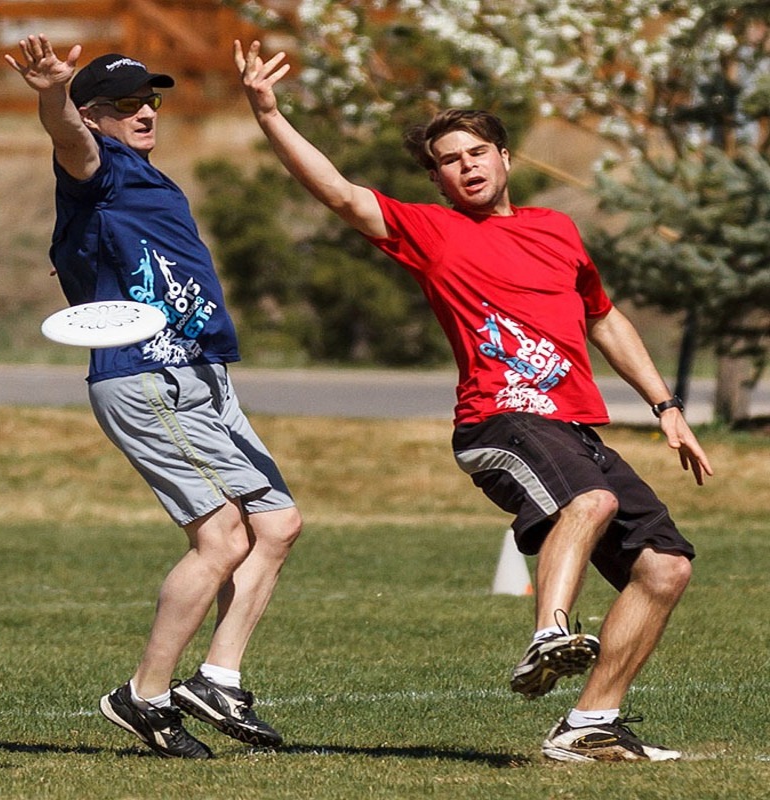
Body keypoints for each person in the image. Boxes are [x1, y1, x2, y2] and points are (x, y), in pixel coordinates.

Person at [234, 40, 713, 763]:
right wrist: (269, 113)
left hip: (575, 427)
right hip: (499, 421)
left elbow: (605, 317)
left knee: (665, 567)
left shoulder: (557, 230)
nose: (468, 165)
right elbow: (337, 191)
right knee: (590, 503)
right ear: (438, 177)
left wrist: (665, 404)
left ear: (504, 157)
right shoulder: (430, 231)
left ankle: (590, 724)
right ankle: (549, 632)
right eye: (451, 159)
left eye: (478, 151)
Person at [5, 35, 302, 760]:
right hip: (146, 372)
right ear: (95, 115)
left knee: (277, 524)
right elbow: (68, 137)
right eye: (125, 103)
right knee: (222, 537)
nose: (144, 113)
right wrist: (54, 91)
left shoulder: (148, 177)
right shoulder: (95, 171)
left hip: (201, 371)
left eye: (150, 100)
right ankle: (143, 694)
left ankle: (218, 679)